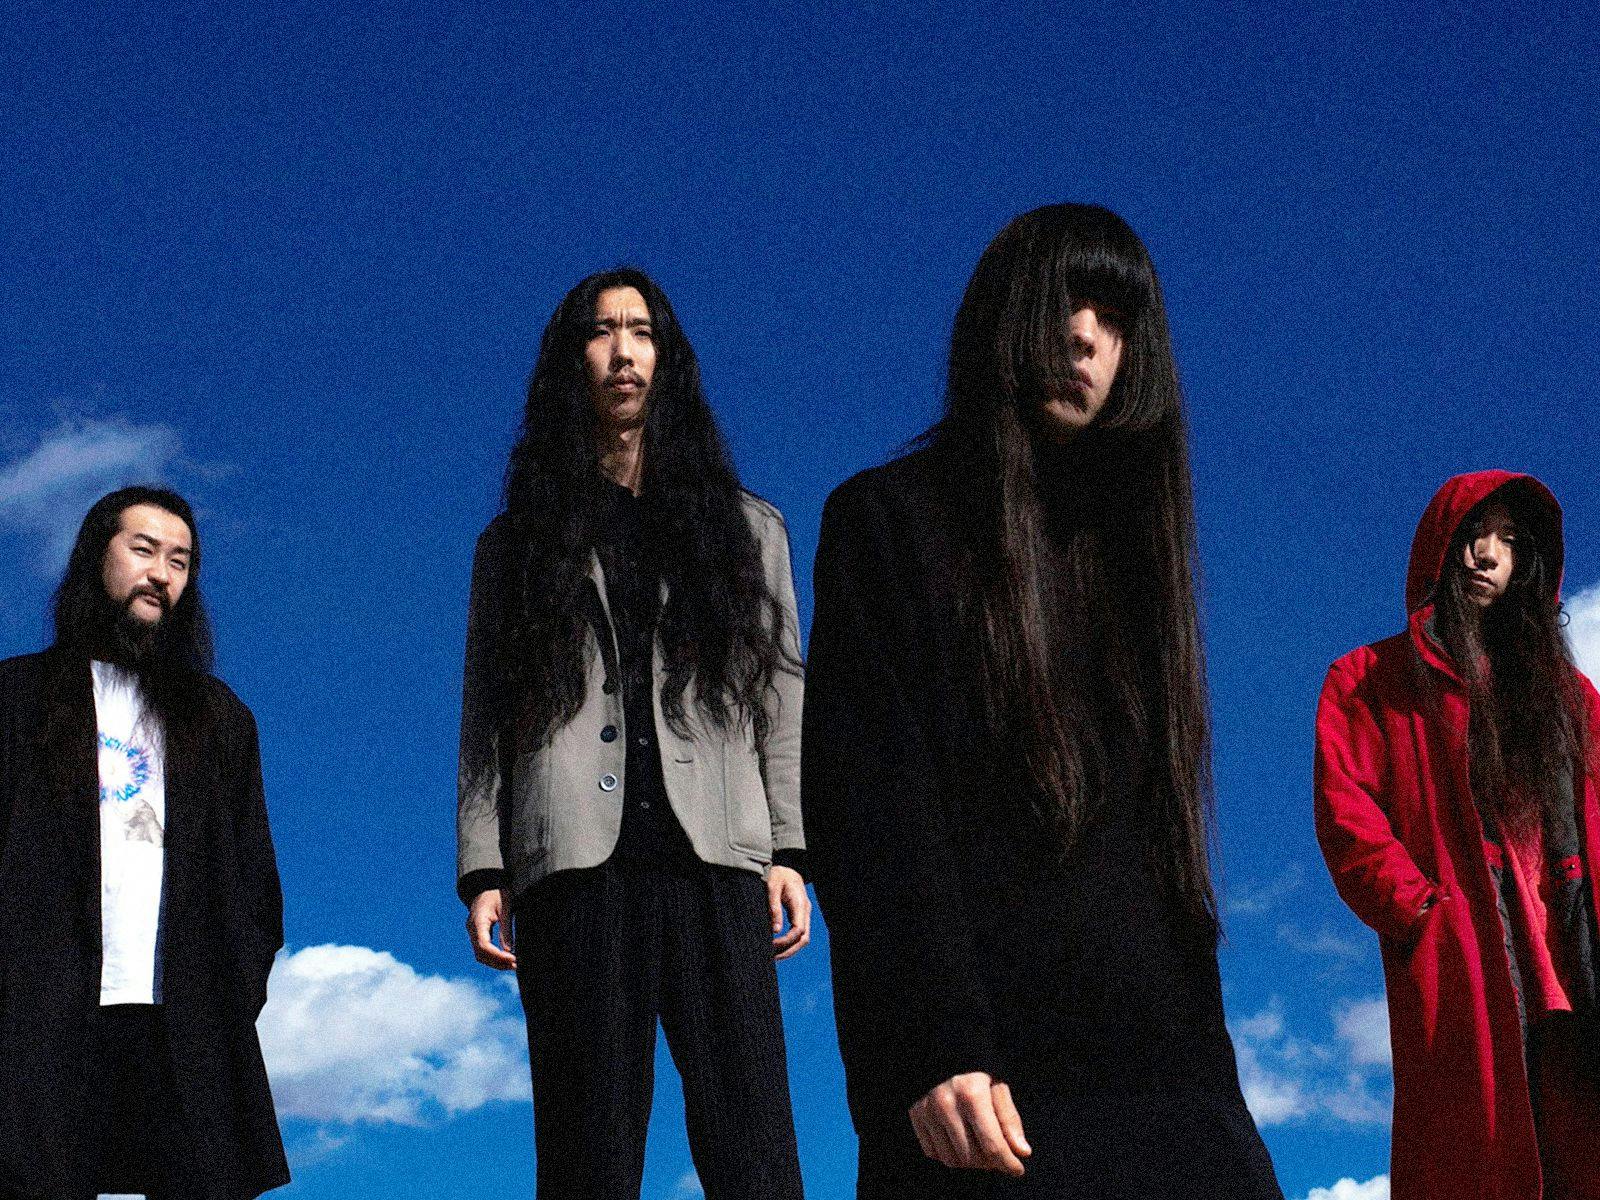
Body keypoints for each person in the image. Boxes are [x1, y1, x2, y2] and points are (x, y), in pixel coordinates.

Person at [802, 203, 1281, 1197]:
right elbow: (871, 808)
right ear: (1003, 319)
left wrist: (1219, 1087)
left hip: (1166, 1071)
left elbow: (1163, 860)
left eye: (1114, 313)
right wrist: (932, 1046)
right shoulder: (887, 522)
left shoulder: (1135, 565)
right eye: (1061, 301)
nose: (1083, 335)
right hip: (987, 1076)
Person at [456, 267, 809, 1198]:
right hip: (572, 862)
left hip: (717, 857)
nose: (623, 351)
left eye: (642, 331)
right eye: (602, 331)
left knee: (755, 1144)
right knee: (586, 1150)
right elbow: (486, 714)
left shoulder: (749, 529)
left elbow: (782, 697)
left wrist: (788, 850)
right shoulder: (515, 543)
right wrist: (487, 868)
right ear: (572, 360)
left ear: (668, 358)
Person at [1315, 471, 1600, 1199]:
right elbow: (1348, 817)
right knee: (1475, 1161)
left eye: (1508, 541)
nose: (1486, 555)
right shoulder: (1366, 680)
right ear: (1442, 545)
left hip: (1578, 965)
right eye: (1474, 534)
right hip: (1464, 969)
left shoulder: (1572, 699)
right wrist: (1422, 911)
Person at [0, 487, 288, 1200]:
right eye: (143, 550)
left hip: (181, 1022)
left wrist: (227, 992)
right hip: (41, 1018)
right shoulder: (18, 697)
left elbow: (256, 882)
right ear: (96, 556)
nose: (162, 573)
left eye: (181, 561)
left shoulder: (219, 718)